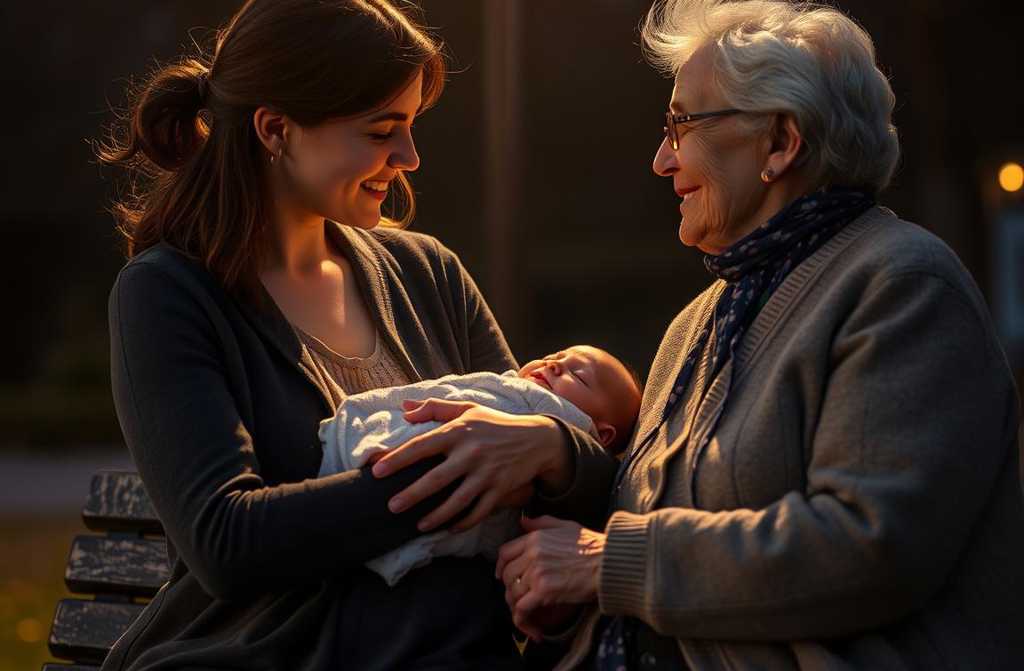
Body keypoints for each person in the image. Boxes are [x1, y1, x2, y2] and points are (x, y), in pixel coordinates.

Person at [376, 0, 1024, 668]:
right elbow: (654, 557)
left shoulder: (901, 285)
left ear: (780, 142)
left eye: (682, 124)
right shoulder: (696, 324)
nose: (661, 159)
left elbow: (870, 546)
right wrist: (565, 590)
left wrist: (606, 563)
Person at [100, 0, 541, 668]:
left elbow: (536, 442)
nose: (409, 156)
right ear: (276, 129)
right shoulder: (166, 295)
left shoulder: (431, 276)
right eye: (381, 130)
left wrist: (552, 450)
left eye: (412, 126)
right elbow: (227, 539)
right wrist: (461, 468)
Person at [315, 345, 642, 586]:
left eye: (578, 375)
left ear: (600, 435)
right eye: (556, 356)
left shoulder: (553, 419)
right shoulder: (508, 385)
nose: (554, 365)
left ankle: (387, 447)